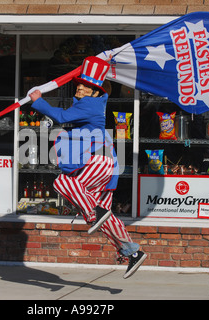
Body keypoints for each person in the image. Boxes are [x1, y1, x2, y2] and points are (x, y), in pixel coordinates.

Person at [28, 56, 147, 279]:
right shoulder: (87, 104)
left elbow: (61, 116)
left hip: (100, 162)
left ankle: (93, 212)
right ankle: (132, 252)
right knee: (106, 219)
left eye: (87, 86)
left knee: (62, 182)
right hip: (105, 167)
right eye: (80, 84)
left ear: (96, 91)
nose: (81, 88)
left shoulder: (90, 105)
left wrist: (38, 99)